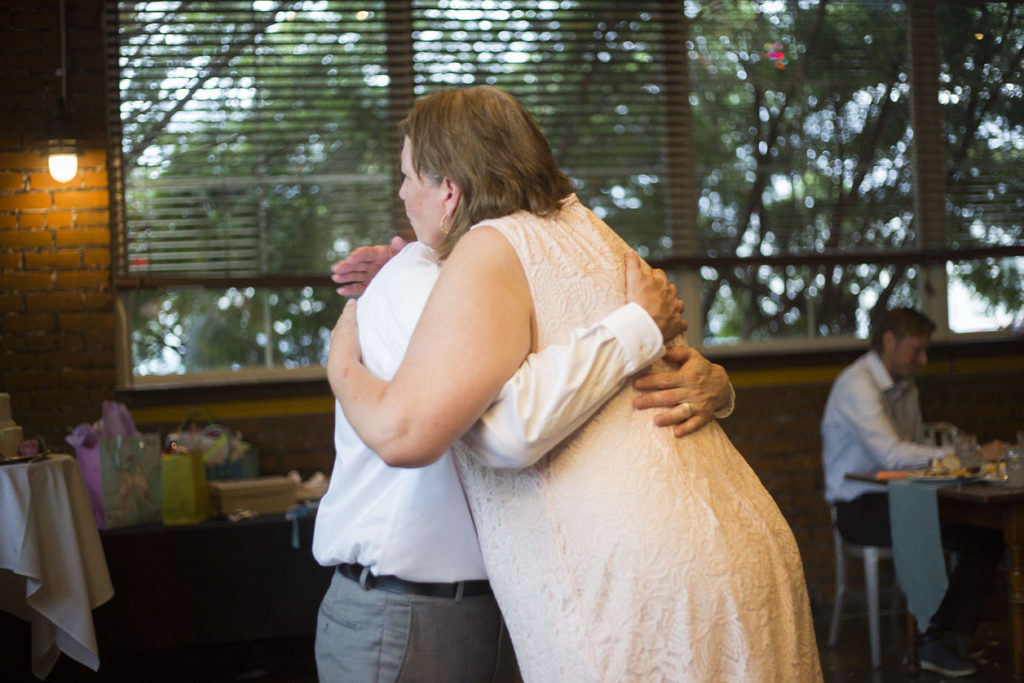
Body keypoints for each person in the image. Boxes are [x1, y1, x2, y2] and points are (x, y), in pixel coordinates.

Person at [328, 86, 821, 681]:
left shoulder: (485, 253)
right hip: (741, 536)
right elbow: (680, 370)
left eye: (408, 176)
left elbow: (498, 433)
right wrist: (712, 380)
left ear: (450, 191)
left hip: (638, 579)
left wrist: (341, 367)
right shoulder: (593, 232)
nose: (401, 193)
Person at [314, 240, 735, 680]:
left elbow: (606, 387)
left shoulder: (547, 276)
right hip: (405, 608)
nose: (403, 194)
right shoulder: (414, 284)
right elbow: (506, 429)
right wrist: (638, 327)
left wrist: (713, 383)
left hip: (519, 607)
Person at [821, 307, 1006, 678]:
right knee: (924, 526)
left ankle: (943, 628)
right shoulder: (856, 385)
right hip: (857, 506)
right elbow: (891, 454)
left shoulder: (907, 387)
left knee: (986, 537)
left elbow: (915, 452)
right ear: (889, 341)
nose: (923, 360)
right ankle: (928, 642)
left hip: (900, 497)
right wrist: (968, 455)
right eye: (916, 350)